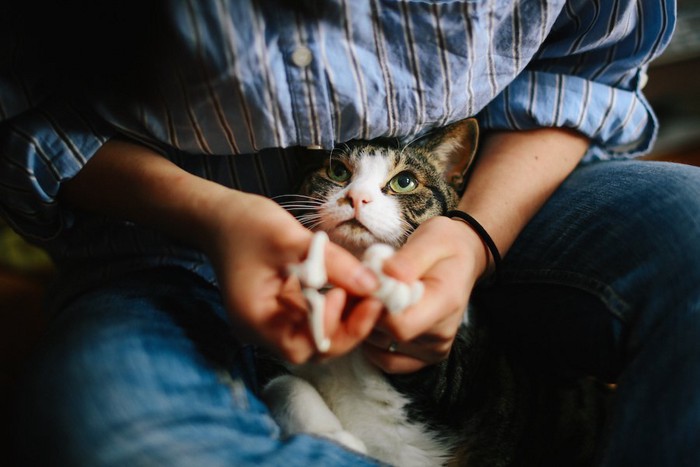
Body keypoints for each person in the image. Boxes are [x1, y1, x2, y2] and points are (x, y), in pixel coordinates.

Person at [1, 0, 698, 465]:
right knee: (114, 429)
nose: (365, 195)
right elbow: (25, 113)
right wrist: (212, 213)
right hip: (161, 243)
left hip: (496, 196)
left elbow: (586, 66)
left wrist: (473, 233)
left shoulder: (442, 193)